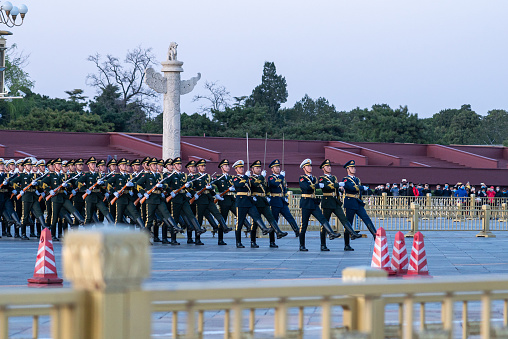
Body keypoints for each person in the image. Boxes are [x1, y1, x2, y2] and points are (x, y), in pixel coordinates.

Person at [318, 159, 361, 251]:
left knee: (344, 219)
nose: (329, 167)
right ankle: (323, 244)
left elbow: (335, 188)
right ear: (323, 168)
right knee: (325, 223)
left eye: (330, 166)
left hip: (335, 201)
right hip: (327, 201)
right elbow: (327, 186)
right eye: (327, 166)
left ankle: (352, 233)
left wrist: (340, 190)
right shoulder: (321, 178)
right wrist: (337, 185)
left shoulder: (333, 177)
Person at [298, 159, 340, 252]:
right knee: (304, 225)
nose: (310, 167)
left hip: (313, 202)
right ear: (304, 168)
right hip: (305, 203)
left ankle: (331, 233)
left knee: (322, 219)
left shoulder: (314, 178)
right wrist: (317, 186)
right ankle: (302, 245)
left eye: (310, 166)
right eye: (308, 166)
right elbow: (306, 187)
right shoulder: (302, 178)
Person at [231, 160, 273, 248]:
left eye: (242, 167)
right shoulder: (235, 178)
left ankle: (264, 228)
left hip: (249, 200)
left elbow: (254, 185)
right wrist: (246, 176)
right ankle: (238, 242)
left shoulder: (248, 178)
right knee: (240, 222)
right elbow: (238, 185)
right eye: (239, 167)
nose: (241, 169)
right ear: (236, 169)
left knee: (256, 216)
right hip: (241, 202)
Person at [192, 159, 232, 245]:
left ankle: (225, 227)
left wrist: (215, 194)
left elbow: (211, 187)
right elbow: (192, 188)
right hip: (200, 199)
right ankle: (197, 239)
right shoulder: (195, 177)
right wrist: (194, 194)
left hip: (209, 198)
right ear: (198, 167)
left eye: (204, 166)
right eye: (202, 166)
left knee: (217, 213)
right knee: (199, 219)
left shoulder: (208, 176)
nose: (204, 167)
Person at [248, 160, 288, 248]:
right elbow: (254, 184)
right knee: (255, 223)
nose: (258, 170)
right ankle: (253, 241)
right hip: (256, 201)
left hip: (264, 201)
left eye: (259, 168)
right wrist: (262, 176)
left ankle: (277, 234)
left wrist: (268, 196)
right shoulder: (250, 178)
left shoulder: (263, 179)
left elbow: (267, 189)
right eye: (256, 168)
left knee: (271, 218)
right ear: (252, 169)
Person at [214, 159, 252, 243]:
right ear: (222, 167)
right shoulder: (218, 177)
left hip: (233, 199)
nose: (227, 167)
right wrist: (215, 194)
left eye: (228, 166)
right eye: (226, 166)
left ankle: (248, 226)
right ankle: (220, 239)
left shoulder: (232, 177)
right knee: (223, 219)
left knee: (239, 214)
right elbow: (213, 186)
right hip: (224, 200)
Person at [342, 160, 377, 239]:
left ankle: (375, 235)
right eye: (352, 167)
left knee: (366, 218)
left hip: (357, 203)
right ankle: (347, 244)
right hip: (350, 203)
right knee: (349, 223)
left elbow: (359, 192)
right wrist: (362, 187)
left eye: (354, 167)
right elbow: (351, 188)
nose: (354, 169)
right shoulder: (345, 179)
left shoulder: (357, 179)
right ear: (348, 169)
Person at [267, 159, 299, 237]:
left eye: (278, 167)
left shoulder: (282, 178)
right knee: (274, 221)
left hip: (282, 201)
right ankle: (272, 240)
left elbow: (284, 187)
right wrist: (281, 176)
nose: (278, 168)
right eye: (276, 167)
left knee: (289, 217)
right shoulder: (271, 178)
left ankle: (297, 231)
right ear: (272, 169)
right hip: (275, 201)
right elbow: (275, 184)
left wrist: (285, 196)